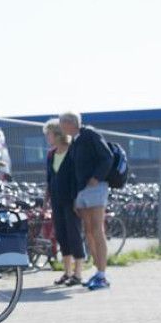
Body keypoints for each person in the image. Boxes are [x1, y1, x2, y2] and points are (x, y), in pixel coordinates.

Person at [58, 111, 113, 291]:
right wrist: (75, 197)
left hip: (96, 188)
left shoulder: (90, 134)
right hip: (82, 192)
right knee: (88, 231)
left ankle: (103, 275)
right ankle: (98, 272)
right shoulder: (75, 141)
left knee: (97, 229)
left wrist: (97, 177)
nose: (60, 127)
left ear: (70, 123)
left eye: (61, 123)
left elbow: (107, 157)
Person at [43, 119, 85, 286]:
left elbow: (78, 178)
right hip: (56, 201)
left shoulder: (73, 152)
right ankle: (67, 272)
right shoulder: (51, 154)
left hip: (71, 200)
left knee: (74, 235)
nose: (47, 137)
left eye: (49, 134)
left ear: (58, 134)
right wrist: (46, 199)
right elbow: (49, 178)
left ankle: (78, 273)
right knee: (61, 235)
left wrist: (77, 200)